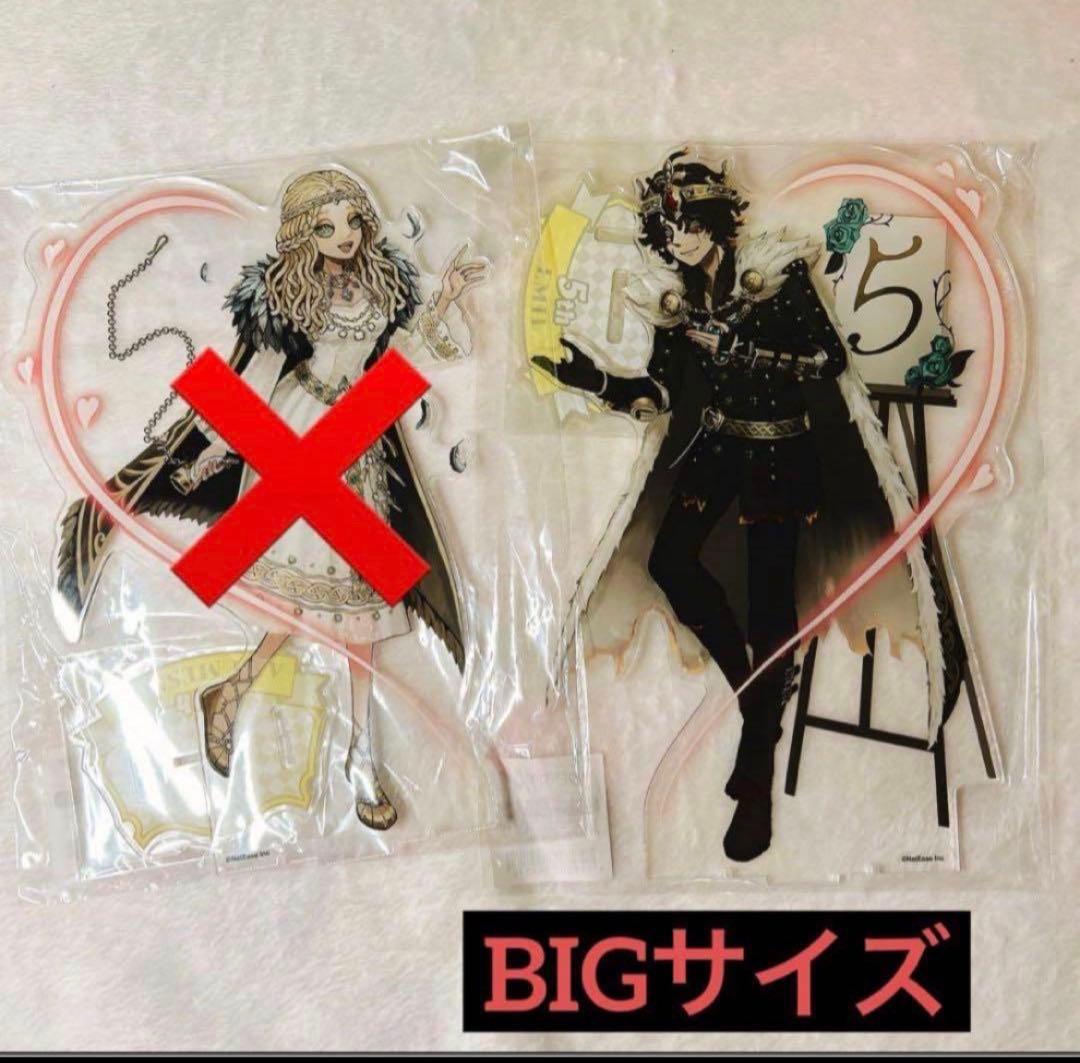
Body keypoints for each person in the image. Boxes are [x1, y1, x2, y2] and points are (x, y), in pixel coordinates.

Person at [533, 152, 962, 862]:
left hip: (780, 452)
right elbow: (661, 394)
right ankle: (757, 696)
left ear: (714, 220)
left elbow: (827, 360)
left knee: (769, 608)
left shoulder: (775, 276)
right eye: (668, 230)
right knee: (670, 562)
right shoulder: (675, 301)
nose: (679, 239)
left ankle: (755, 777)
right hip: (716, 447)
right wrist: (594, 380)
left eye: (689, 224)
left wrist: (748, 350)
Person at [56, 167, 486, 829]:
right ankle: (240, 696)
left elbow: (399, 357)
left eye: (351, 220)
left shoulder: (383, 281)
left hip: (359, 436)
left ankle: (355, 751)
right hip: (296, 433)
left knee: (362, 608)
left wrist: (448, 295)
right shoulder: (283, 293)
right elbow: (251, 380)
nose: (344, 235)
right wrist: (211, 452)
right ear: (302, 232)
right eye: (326, 225)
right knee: (301, 598)